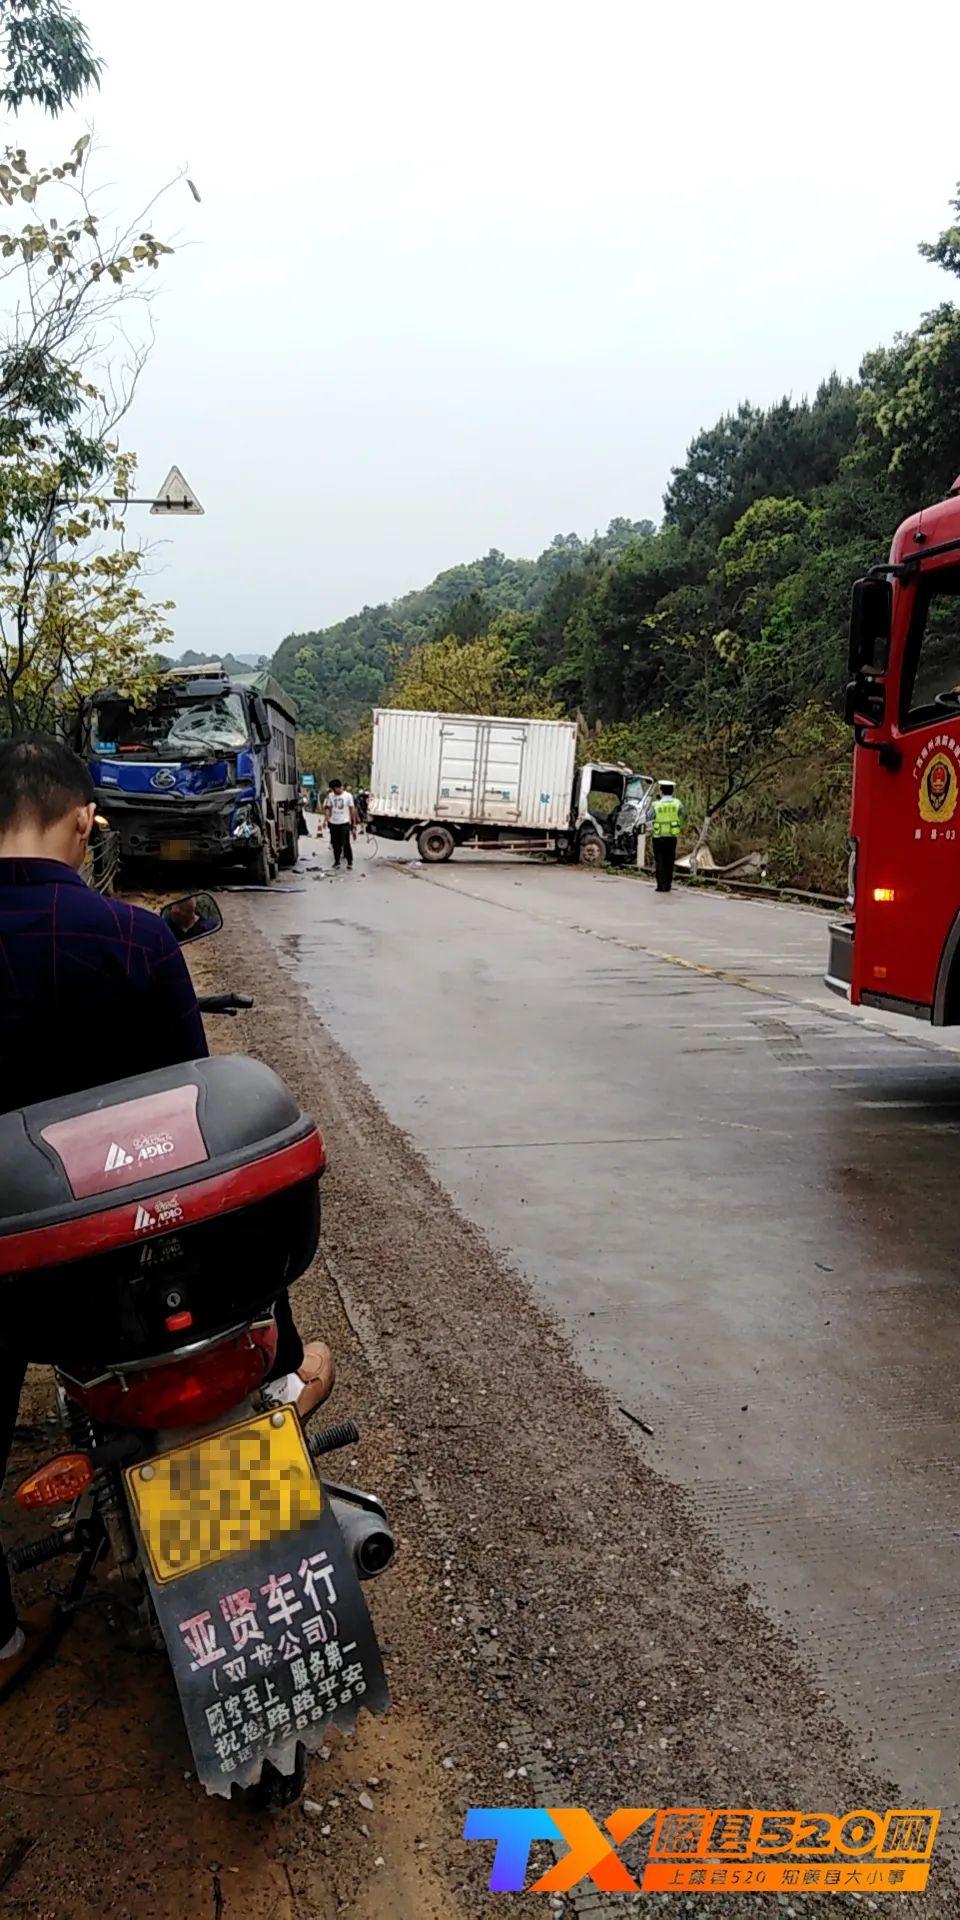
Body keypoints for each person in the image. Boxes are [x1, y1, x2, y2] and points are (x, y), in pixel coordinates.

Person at [0, 736, 333, 1698]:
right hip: (138, 1262)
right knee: (263, 1308)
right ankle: (276, 1386)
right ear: (81, 820)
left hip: (22, 1288)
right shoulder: (139, 940)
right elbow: (195, 1120)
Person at [650, 779, 685, 893]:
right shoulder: (677, 803)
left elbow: (649, 816)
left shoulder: (656, 804)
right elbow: (683, 813)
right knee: (669, 861)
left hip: (658, 836)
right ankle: (668, 885)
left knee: (659, 861)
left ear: (661, 791)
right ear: (672, 791)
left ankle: (661, 886)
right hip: (671, 836)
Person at [323, 777, 357, 869]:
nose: (334, 791)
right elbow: (328, 808)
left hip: (344, 823)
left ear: (339, 787)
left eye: (334, 789)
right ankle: (337, 861)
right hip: (333, 823)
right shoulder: (330, 796)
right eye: (332, 790)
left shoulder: (348, 796)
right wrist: (325, 820)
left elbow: (352, 809)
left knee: (346, 843)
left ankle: (350, 862)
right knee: (335, 844)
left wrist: (354, 823)